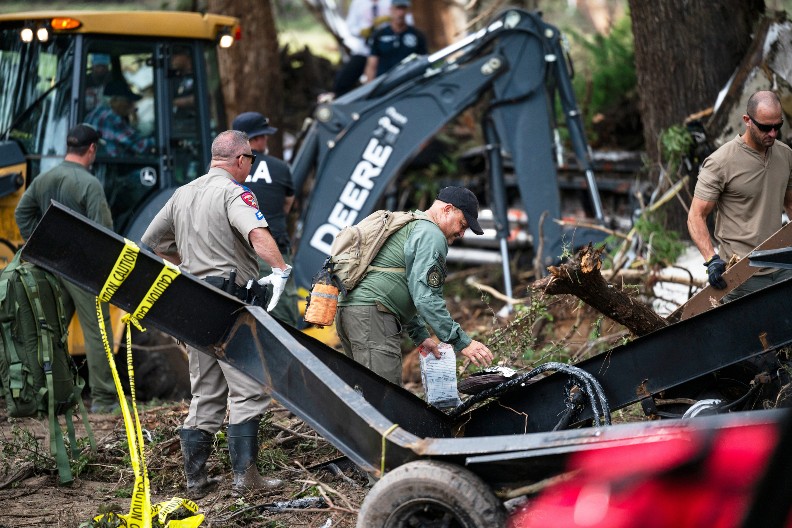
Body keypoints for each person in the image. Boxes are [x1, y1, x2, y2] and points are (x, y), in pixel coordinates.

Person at [141, 130, 292, 497]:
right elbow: (257, 233)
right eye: (250, 161)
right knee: (249, 389)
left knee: (206, 392)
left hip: (192, 302)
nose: (250, 168)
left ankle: (196, 479)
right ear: (240, 159)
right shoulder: (233, 192)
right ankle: (246, 478)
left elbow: (151, 242)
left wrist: (187, 266)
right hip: (226, 304)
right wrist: (280, 271)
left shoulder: (182, 193)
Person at [335, 186, 495, 386]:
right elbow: (426, 297)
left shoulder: (408, 223)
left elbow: (401, 286)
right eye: (462, 224)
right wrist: (462, 342)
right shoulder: (431, 234)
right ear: (447, 209)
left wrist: (420, 336)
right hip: (372, 317)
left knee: (364, 394)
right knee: (384, 398)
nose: (461, 233)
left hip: (351, 312)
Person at [15, 124, 119, 413]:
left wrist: (39, 247)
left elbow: (22, 213)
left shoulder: (44, 178)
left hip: (51, 265)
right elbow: (105, 234)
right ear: (92, 149)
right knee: (98, 332)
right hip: (83, 270)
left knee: (49, 333)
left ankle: (44, 398)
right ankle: (105, 400)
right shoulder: (89, 184)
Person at [688, 90, 792, 303]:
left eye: (777, 126)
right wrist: (712, 260)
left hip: (784, 267)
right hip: (742, 276)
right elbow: (695, 216)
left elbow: (790, 203)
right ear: (747, 121)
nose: (772, 133)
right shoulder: (720, 162)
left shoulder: (785, 154)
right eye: (765, 127)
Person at [231, 111, 300, 326]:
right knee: (283, 317)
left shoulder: (224, 169)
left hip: (233, 251)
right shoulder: (280, 168)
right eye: (264, 135)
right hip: (272, 249)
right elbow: (287, 205)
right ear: (257, 139)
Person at [332, 0, 392, 95]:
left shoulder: (390, 2)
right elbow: (350, 27)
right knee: (343, 81)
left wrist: (390, 19)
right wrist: (361, 32)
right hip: (365, 50)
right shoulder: (358, 3)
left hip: (387, 50)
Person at [85, 79, 156, 157]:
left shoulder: (95, 113)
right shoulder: (113, 119)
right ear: (115, 101)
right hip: (113, 166)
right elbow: (141, 146)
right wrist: (160, 139)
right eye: (128, 102)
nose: (132, 106)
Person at [364, 0, 427, 82]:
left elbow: (423, 61)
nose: (400, 13)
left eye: (403, 9)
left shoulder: (417, 35)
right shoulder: (379, 35)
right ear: (391, 10)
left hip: (410, 82)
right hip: (384, 84)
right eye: (397, 9)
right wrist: (370, 88)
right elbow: (372, 65)